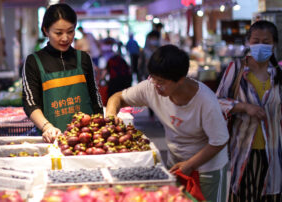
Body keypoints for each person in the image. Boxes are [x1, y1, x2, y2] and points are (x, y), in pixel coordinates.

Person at [106, 45, 229, 202]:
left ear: (180, 80)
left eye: (161, 82)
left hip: (206, 168)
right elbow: (117, 97)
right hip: (176, 163)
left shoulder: (205, 101)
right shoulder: (151, 86)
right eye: (153, 78)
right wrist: (110, 115)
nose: (156, 85)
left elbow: (219, 141)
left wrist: (190, 164)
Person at [216, 20, 282, 201]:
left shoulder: (278, 73)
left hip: (274, 150)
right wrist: (244, 107)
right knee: (243, 196)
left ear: (274, 44)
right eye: (255, 41)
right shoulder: (236, 69)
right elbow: (217, 102)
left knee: (272, 195)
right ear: (248, 42)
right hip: (244, 149)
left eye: (266, 42)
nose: (260, 45)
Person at [22, 3, 103, 143]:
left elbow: (94, 96)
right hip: (53, 139)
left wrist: (100, 125)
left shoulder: (83, 58)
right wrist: (47, 127)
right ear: (46, 31)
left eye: (70, 31)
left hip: (87, 139)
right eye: (58, 33)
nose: (65, 38)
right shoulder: (34, 61)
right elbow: (30, 103)